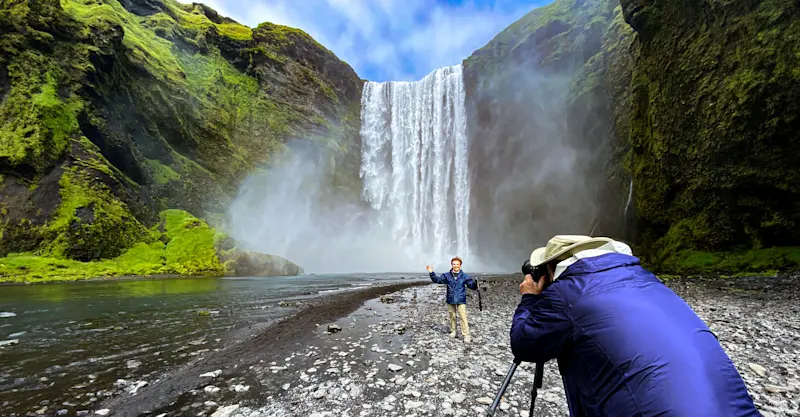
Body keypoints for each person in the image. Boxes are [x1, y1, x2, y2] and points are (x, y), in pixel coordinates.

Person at [510, 235, 760, 416]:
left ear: (551, 269)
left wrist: (530, 298)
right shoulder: (645, 281)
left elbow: (525, 344)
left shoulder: (568, 293)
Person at [427, 256, 477, 343]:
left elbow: (471, 286)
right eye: (454, 264)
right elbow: (437, 280)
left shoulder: (465, 276)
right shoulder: (446, 275)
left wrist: (475, 284)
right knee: (452, 316)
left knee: (463, 317)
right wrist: (431, 272)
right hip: (450, 298)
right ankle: (453, 331)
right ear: (451, 265)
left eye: (457, 264)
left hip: (461, 299)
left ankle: (466, 335)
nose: (456, 265)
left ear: (460, 265)